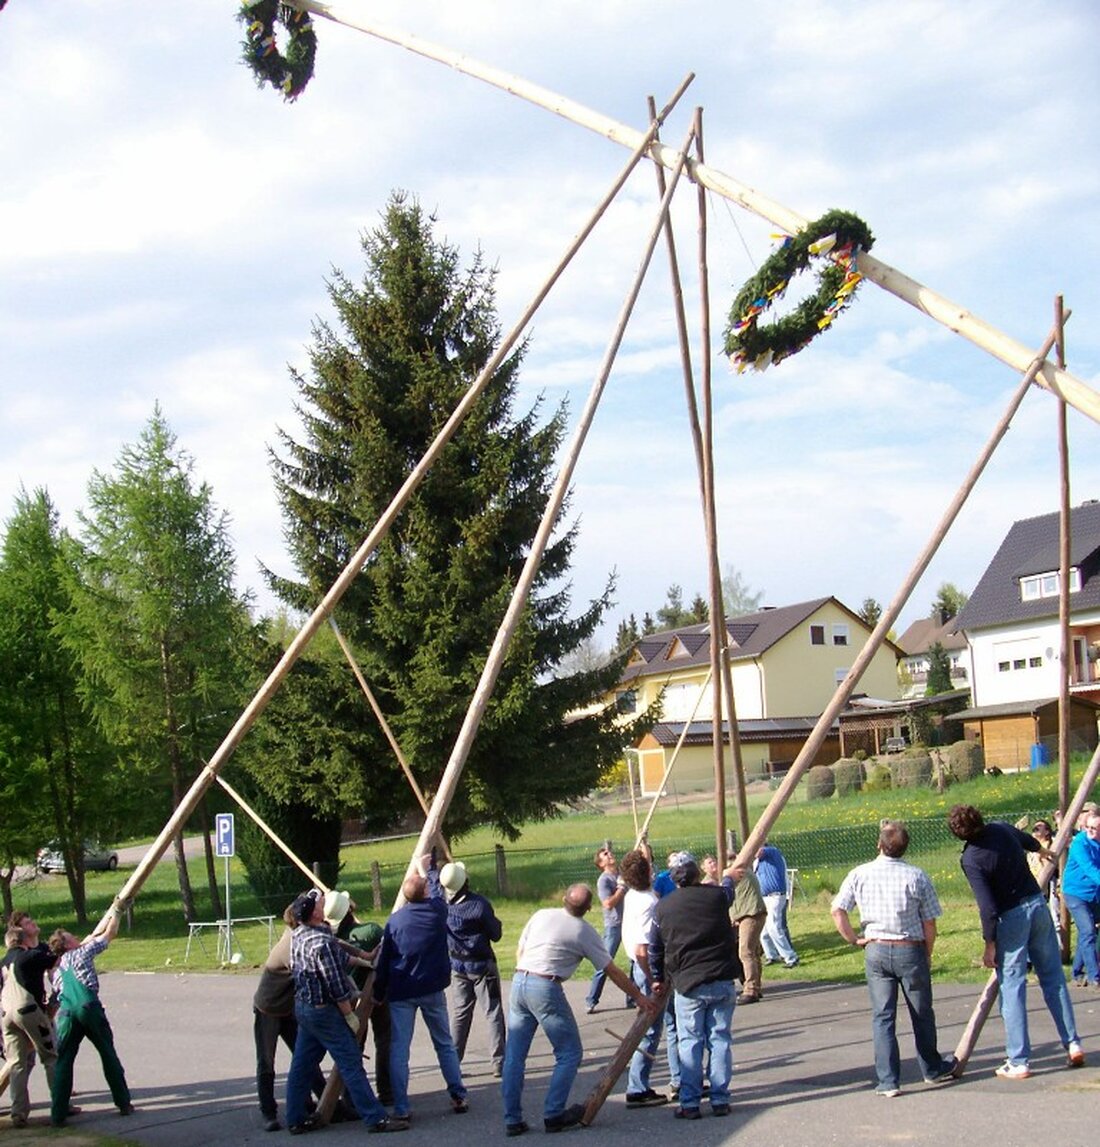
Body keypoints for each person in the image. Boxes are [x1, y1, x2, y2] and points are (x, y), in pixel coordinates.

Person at [501, 883, 658, 1137]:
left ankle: (512, 1119)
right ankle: (553, 1113)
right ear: (588, 908)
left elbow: (521, 948)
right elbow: (612, 970)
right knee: (569, 1052)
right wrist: (639, 996)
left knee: (515, 1056)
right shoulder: (584, 932)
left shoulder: (541, 915)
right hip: (546, 986)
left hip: (520, 980)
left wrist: (526, 975)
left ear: (564, 899)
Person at [948, 804, 1085, 1078]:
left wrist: (990, 944)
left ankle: (1018, 1059)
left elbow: (987, 907)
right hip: (1037, 905)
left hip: (1011, 917)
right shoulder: (1000, 828)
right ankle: (1072, 1043)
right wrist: (1041, 849)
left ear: (959, 834)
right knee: (1053, 978)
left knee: (1012, 987)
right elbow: (1026, 840)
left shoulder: (972, 858)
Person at [830, 819, 958, 1097]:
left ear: (879, 844)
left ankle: (888, 1080)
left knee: (883, 1016)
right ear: (904, 848)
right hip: (909, 946)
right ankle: (931, 1069)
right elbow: (930, 922)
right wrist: (927, 951)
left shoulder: (859, 874)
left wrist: (853, 938)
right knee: (921, 1012)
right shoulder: (916, 876)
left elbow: (838, 910)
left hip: (875, 946)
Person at [284, 889, 402, 1134]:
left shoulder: (302, 933)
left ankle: (295, 1118)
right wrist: (349, 1014)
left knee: (302, 1064)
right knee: (350, 1063)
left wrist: (366, 957)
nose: (321, 901)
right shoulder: (321, 944)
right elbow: (336, 985)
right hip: (323, 1011)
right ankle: (375, 1118)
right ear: (316, 913)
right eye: (318, 903)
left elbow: (340, 953)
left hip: (304, 1008)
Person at [373, 856, 468, 1121]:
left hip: (401, 991)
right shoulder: (436, 911)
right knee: (444, 1043)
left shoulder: (394, 922)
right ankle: (458, 1094)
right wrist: (430, 869)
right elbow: (438, 891)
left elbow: (384, 961)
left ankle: (402, 1107)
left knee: (400, 1048)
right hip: (431, 987)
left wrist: (379, 992)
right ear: (424, 893)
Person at [650, 852, 739, 1120]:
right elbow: (728, 891)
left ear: (675, 882)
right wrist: (728, 877)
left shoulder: (663, 907)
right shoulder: (716, 898)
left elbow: (656, 947)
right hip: (721, 976)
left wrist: (656, 976)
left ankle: (689, 1102)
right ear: (698, 877)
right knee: (720, 1039)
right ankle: (720, 1098)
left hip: (688, 981)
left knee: (690, 1041)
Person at [47, 909, 134, 1126]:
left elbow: (57, 995)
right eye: (71, 937)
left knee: (64, 1061)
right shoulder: (82, 953)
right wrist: (117, 910)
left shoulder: (55, 970)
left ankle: (58, 1114)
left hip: (66, 1013)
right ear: (66, 944)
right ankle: (123, 1103)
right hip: (88, 1007)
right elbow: (110, 933)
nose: (76, 937)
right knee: (107, 1052)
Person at [252, 902, 327, 1131]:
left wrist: (360, 954)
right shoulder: (291, 945)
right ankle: (268, 1112)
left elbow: (334, 945)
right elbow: (312, 967)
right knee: (266, 1061)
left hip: (288, 1007)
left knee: (305, 1056)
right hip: (268, 1009)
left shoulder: (299, 935)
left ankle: (322, 1101)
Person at [440, 860, 506, 1077]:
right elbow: (496, 934)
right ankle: (499, 1062)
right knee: (493, 1011)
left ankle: (453, 1063)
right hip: (482, 965)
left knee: (460, 1014)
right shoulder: (479, 905)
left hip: (457, 966)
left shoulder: (442, 906)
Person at [619, 848, 673, 1108]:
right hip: (649, 968)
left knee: (670, 1024)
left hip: (643, 965)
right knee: (650, 1029)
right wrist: (654, 979)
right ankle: (637, 1087)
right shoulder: (647, 903)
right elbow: (643, 948)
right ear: (647, 873)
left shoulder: (633, 895)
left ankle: (680, 1079)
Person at [1, 912, 60, 1128]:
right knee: (50, 1056)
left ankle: (18, 1113)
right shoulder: (29, 956)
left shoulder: (4, 962)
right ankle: (60, 1105)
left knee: (17, 1064)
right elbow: (57, 959)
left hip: (7, 1016)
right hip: (29, 1010)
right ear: (23, 941)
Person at [583, 847, 626, 1014]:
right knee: (604, 963)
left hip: (629, 922)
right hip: (614, 925)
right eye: (605, 855)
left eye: (610, 852)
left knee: (634, 961)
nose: (610, 854)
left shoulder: (622, 875)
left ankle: (632, 999)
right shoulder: (604, 880)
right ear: (601, 864)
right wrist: (621, 889)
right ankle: (591, 1000)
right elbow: (607, 904)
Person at [1061, 811, 1100, 990]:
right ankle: (1094, 977)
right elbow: (1090, 869)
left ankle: (1077, 973)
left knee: (1088, 934)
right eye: (1088, 827)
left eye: (1095, 828)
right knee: (1088, 930)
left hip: (1094, 894)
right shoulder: (1079, 844)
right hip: (1075, 893)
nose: (1090, 831)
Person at [754, 841, 799, 967]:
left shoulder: (772, 852)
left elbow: (759, 852)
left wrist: (752, 848)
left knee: (774, 927)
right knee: (763, 930)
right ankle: (771, 955)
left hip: (776, 895)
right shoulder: (757, 863)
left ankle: (791, 957)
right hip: (764, 897)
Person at [731, 863, 767, 1004]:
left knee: (746, 952)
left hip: (750, 914)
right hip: (752, 913)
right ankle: (756, 987)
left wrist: (733, 916)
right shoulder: (745, 872)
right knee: (753, 952)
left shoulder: (739, 874)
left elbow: (734, 899)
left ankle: (751, 990)